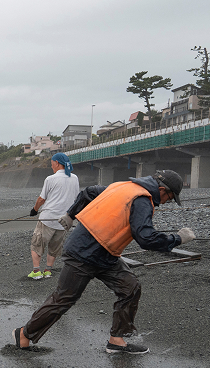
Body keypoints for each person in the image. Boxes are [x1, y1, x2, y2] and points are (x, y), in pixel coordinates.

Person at [11, 169, 195, 355]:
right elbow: (146, 238)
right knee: (64, 299)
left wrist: (71, 214)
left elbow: (89, 192)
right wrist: (177, 239)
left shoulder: (122, 186)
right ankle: (24, 334)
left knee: (130, 287)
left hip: (106, 254)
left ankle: (117, 340)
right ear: (163, 189)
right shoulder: (142, 200)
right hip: (83, 252)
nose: (167, 202)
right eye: (170, 198)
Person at [28, 152, 80, 280]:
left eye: (52, 164)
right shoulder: (74, 178)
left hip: (48, 218)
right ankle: (48, 271)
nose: (52, 167)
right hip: (65, 220)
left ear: (57, 163)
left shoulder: (50, 179)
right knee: (55, 246)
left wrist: (34, 210)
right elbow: (76, 198)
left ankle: (36, 271)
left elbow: (41, 199)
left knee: (37, 243)